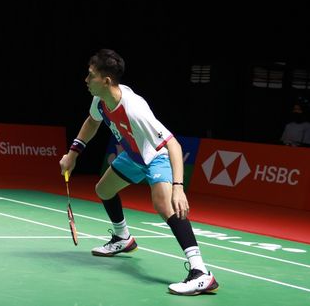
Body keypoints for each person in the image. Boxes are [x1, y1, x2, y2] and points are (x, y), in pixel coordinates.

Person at [59, 49, 219, 295]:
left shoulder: (134, 109)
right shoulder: (100, 100)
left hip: (156, 156)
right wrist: (73, 154)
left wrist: (178, 187)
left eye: (91, 75)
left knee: (165, 206)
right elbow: (92, 121)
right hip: (134, 155)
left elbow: (173, 144)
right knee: (103, 189)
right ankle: (123, 238)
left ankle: (201, 273)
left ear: (107, 80)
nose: (86, 80)